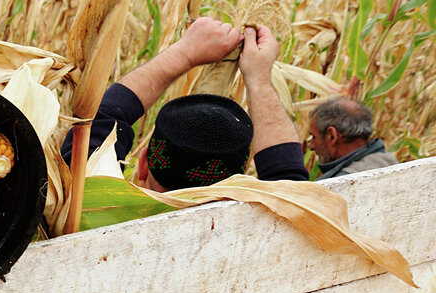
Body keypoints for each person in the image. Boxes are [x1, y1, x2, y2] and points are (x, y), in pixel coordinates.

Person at [61, 17, 309, 191]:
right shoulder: (272, 232)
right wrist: (259, 79)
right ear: (238, 181)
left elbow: (100, 120)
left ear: (144, 164)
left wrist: (185, 53)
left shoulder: (88, 210)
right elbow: (288, 182)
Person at [308, 96, 399, 179]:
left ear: (332, 136)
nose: (311, 146)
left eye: (314, 137)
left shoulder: (340, 183)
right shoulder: (391, 163)